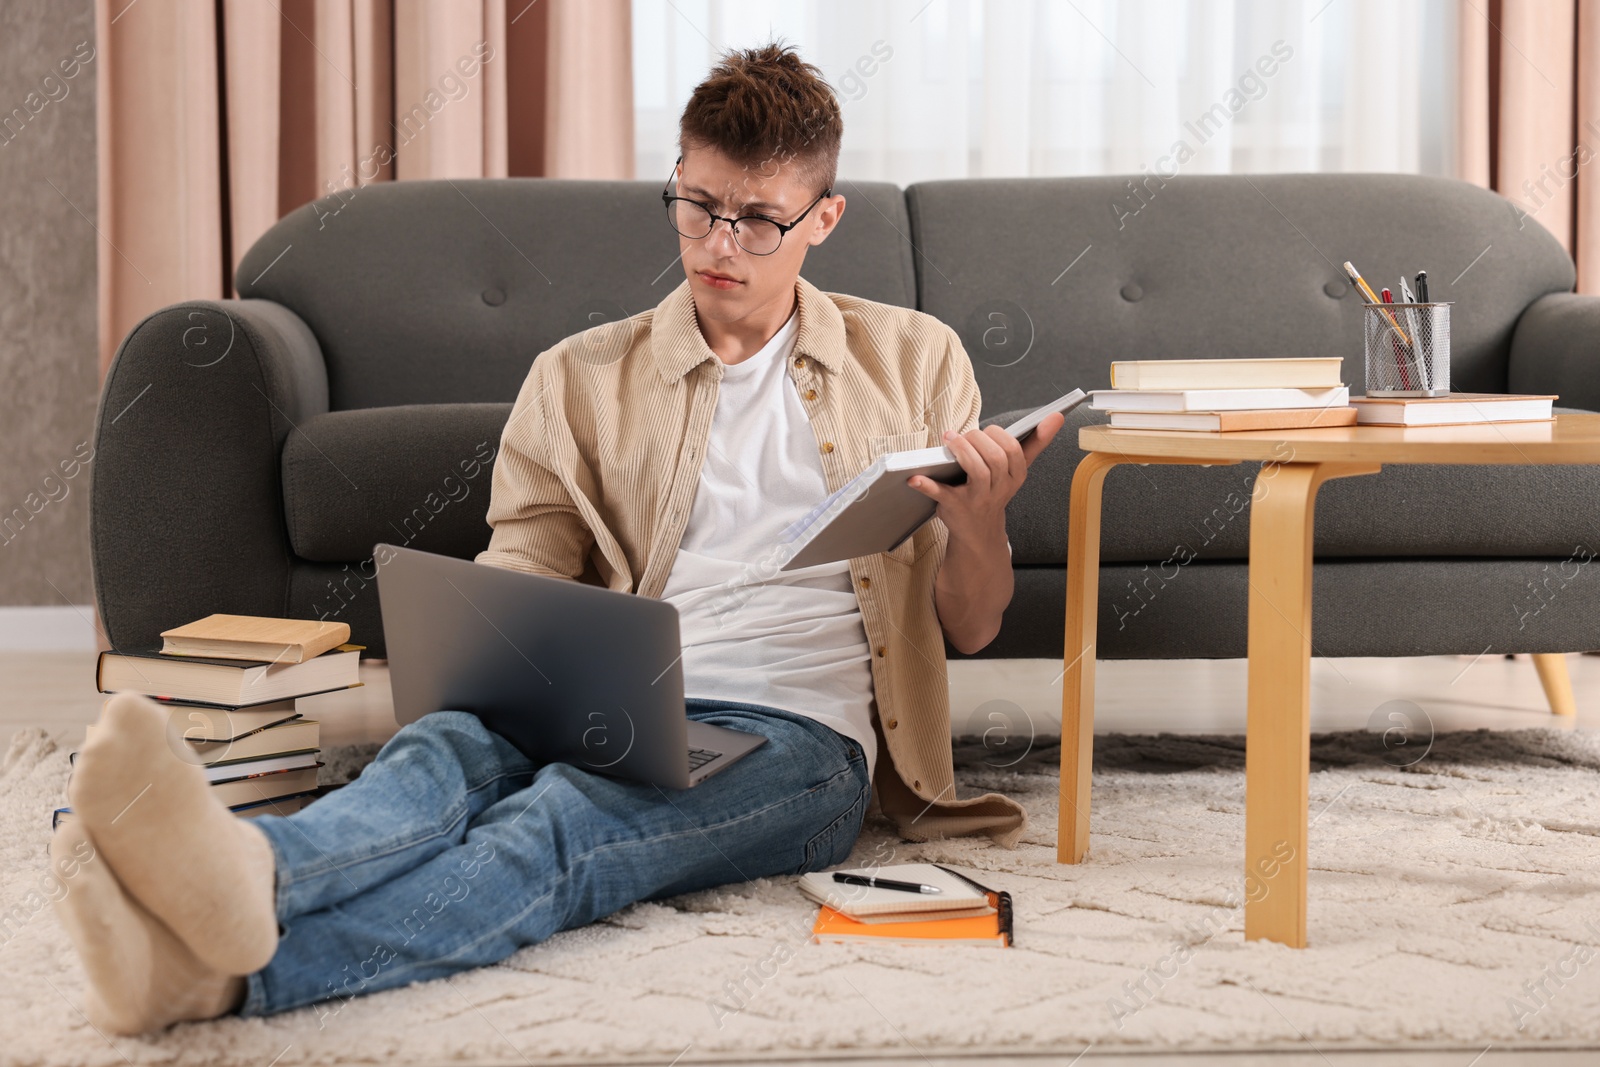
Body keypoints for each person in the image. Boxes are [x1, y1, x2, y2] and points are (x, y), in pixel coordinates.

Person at [50, 41, 1064, 1035]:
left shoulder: (916, 358)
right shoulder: (578, 375)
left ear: (822, 219)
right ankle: (256, 870)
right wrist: (504, 663)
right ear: (674, 183)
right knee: (437, 750)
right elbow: (518, 581)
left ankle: (229, 981)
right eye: (699, 206)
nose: (718, 245)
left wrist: (977, 523)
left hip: (796, 743)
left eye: (758, 221)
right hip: (615, 701)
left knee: (560, 824)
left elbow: (969, 629)